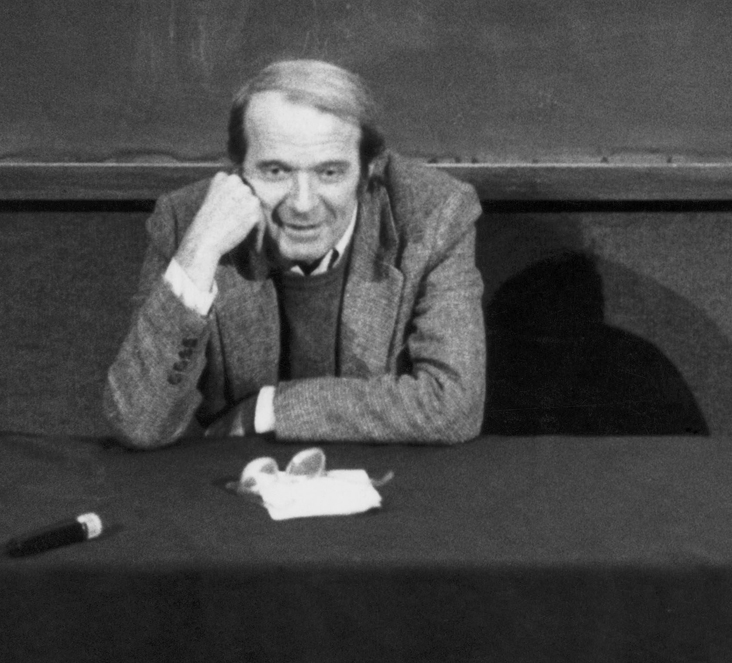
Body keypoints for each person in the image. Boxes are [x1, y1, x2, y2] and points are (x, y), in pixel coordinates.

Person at [105, 60, 485, 448]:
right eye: (276, 171)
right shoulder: (188, 221)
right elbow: (139, 423)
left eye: (329, 173)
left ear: (368, 170)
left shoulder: (432, 214)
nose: (303, 204)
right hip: (239, 476)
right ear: (239, 170)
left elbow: (454, 405)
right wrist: (198, 253)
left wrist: (270, 409)